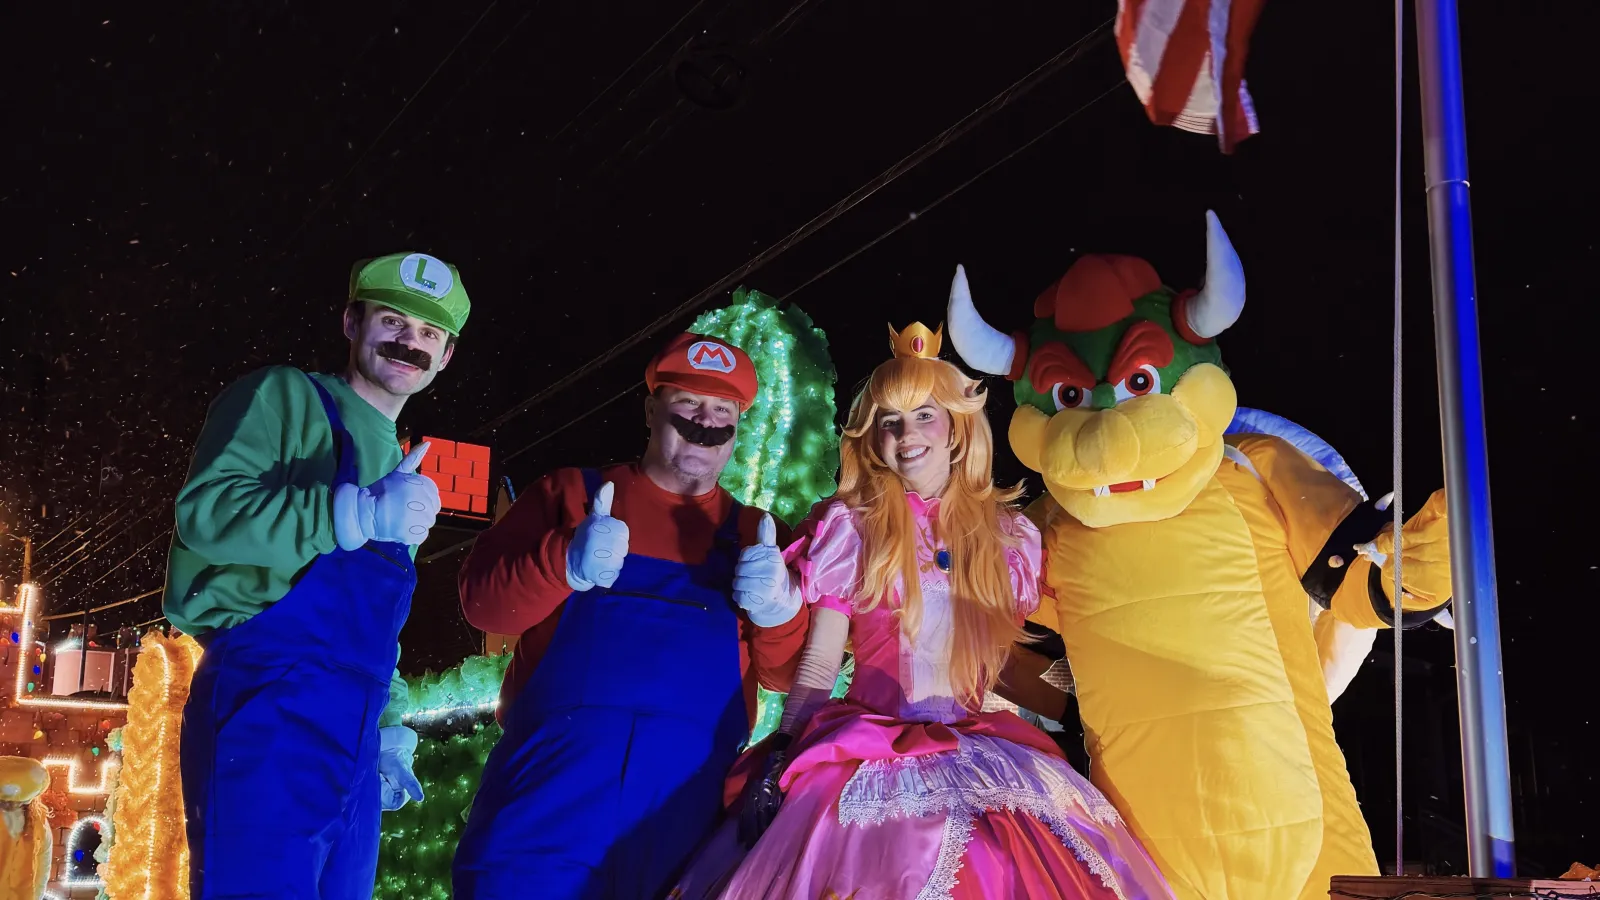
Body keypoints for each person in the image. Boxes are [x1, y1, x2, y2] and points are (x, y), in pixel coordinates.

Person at [670, 323, 1176, 900]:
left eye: (924, 415)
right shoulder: (854, 527)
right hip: (869, 747)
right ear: (872, 437)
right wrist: (783, 750)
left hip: (978, 745)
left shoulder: (1005, 536)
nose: (906, 434)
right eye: (889, 420)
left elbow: (999, 665)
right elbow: (821, 659)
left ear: (956, 427)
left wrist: (1078, 709)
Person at [452, 332, 812, 899]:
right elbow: (484, 602)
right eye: (688, 402)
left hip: (685, 822)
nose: (706, 422)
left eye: (723, 410)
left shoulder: (757, 537)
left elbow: (788, 676)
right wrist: (562, 561)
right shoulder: (570, 496)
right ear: (650, 410)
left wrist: (780, 609)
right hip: (545, 809)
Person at [167, 252, 470, 897]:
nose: (408, 342)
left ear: (445, 357)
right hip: (266, 701)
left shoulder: (399, 466)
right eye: (392, 320)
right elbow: (207, 514)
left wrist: (388, 724)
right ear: (351, 323)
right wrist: (351, 513)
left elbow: (375, 624)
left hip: (357, 731)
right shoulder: (284, 396)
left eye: (428, 333)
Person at [0, 756, 51, 900]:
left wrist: (37, 894)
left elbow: (43, 863)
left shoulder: (39, 822)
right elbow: (43, 865)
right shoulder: (39, 821)